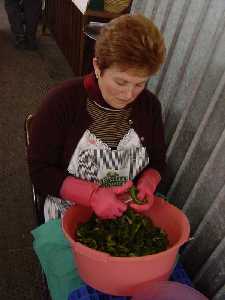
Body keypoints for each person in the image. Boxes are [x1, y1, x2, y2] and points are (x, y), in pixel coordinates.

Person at [28, 14, 167, 222]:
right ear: (97, 67)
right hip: (68, 212)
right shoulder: (62, 102)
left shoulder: (150, 106)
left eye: (140, 84)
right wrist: (92, 195)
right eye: (121, 82)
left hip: (126, 210)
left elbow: (157, 162)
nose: (129, 95)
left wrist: (148, 183)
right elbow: (40, 172)